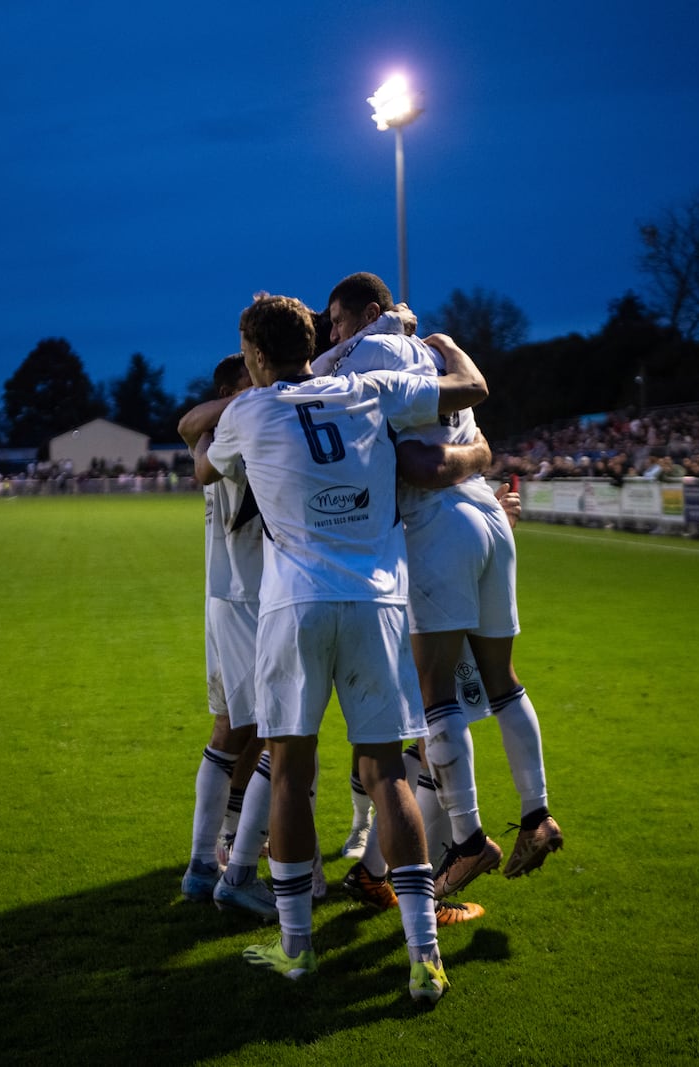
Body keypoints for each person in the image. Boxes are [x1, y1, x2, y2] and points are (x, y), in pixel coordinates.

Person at [193, 292, 489, 1001]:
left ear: (257, 356)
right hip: (378, 602)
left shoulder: (249, 410)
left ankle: (297, 948)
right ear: (312, 343)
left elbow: (204, 464)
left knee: (290, 770)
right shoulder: (369, 388)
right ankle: (424, 956)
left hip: (294, 604)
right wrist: (443, 344)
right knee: (387, 772)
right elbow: (472, 389)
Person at [320, 272, 562, 903]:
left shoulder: (368, 355)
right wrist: (474, 459)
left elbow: (417, 466)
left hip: (438, 530)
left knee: (436, 699)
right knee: (504, 681)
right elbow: (474, 432)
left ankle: (467, 838)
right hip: (487, 518)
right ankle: (537, 815)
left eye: (338, 320)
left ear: (366, 315)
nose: (333, 334)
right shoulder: (431, 348)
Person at [176, 354, 278, 917]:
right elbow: (191, 424)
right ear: (228, 389)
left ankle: (221, 851)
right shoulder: (239, 429)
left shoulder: (219, 434)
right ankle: (213, 864)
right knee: (265, 728)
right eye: (249, 381)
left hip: (230, 598)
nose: (262, 387)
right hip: (251, 600)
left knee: (249, 731)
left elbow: (189, 426)